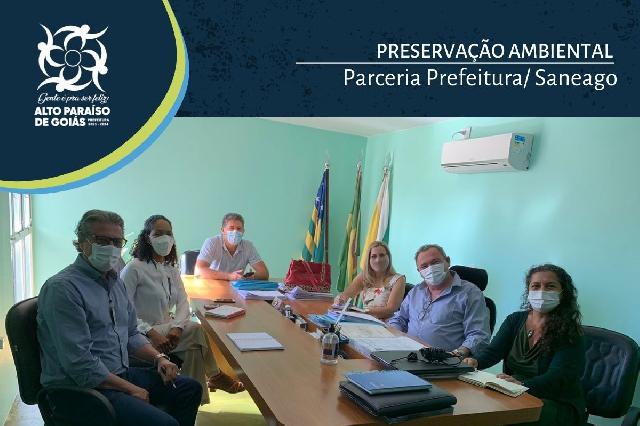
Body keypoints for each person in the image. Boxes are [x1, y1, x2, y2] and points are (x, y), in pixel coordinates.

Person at [37, 210, 202, 426]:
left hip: (117, 374)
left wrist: (159, 359)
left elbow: (131, 333)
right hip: (80, 390)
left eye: (116, 242)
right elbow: (80, 365)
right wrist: (131, 389)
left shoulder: (114, 282)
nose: (111, 248)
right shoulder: (63, 289)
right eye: (102, 240)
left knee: (190, 389)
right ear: (82, 242)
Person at [121, 215, 245, 404]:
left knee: (192, 350)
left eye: (168, 234)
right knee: (195, 330)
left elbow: (182, 302)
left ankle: (191, 403)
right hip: (142, 337)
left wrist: (177, 328)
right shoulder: (134, 268)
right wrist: (152, 332)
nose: (165, 238)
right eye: (158, 234)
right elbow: (123, 312)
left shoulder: (170, 268)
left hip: (167, 333)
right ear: (147, 237)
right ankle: (215, 374)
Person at [463, 264, 585, 425]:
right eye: (536, 286)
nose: (542, 291)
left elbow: (557, 378)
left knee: (498, 417)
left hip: (556, 401)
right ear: (528, 291)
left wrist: (522, 385)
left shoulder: (570, 331)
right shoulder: (515, 320)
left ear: (563, 292)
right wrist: (475, 361)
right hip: (516, 392)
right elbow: (493, 352)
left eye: (550, 286)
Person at [388, 244, 490, 358]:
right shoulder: (416, 291)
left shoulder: (470, 293)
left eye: (435, 262)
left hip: (442, 361)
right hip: (407, 356)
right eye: (424, 266)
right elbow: (399, 318)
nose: (430, 269)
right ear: (419, 271)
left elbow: (478, 334)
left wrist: (458, 354)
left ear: (448, 261)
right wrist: (392, 337)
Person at [334, 241, 406, 319]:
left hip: (386, 323)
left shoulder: (399, 280)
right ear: (368, 260)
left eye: (382, 255)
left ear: (388, 257)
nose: (378, 260)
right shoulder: (363, 277)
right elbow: (346, 295)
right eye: (373, 256)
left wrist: (361, 312)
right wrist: (340, 299)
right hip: (365, 320)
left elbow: (390, 310)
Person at [194, 213, 268, 281]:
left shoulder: (248, 246)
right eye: (231, 228)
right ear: (222, 230)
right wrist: (229, 276)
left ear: (243, 231)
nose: (235, 232)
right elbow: (199, 271)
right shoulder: (212, 242)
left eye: (239, 229)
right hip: (214, 284)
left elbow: (264, 273)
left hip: (237, 287)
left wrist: (249, 278)